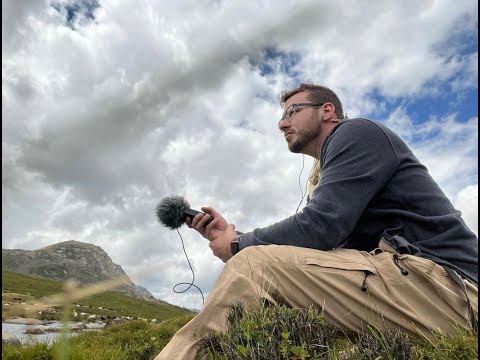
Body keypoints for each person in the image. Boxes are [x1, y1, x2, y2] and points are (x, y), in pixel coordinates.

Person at [155, 83, 478, 360]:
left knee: (254, 267)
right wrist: (231, 235)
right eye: (281, 116)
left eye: (291, 112)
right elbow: (322, 253)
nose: (282, 124)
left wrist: (239, 245)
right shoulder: (328, 171)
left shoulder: (356, 133)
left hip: (448, 289)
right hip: (421, 290)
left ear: (326, 110)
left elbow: (320, 227)